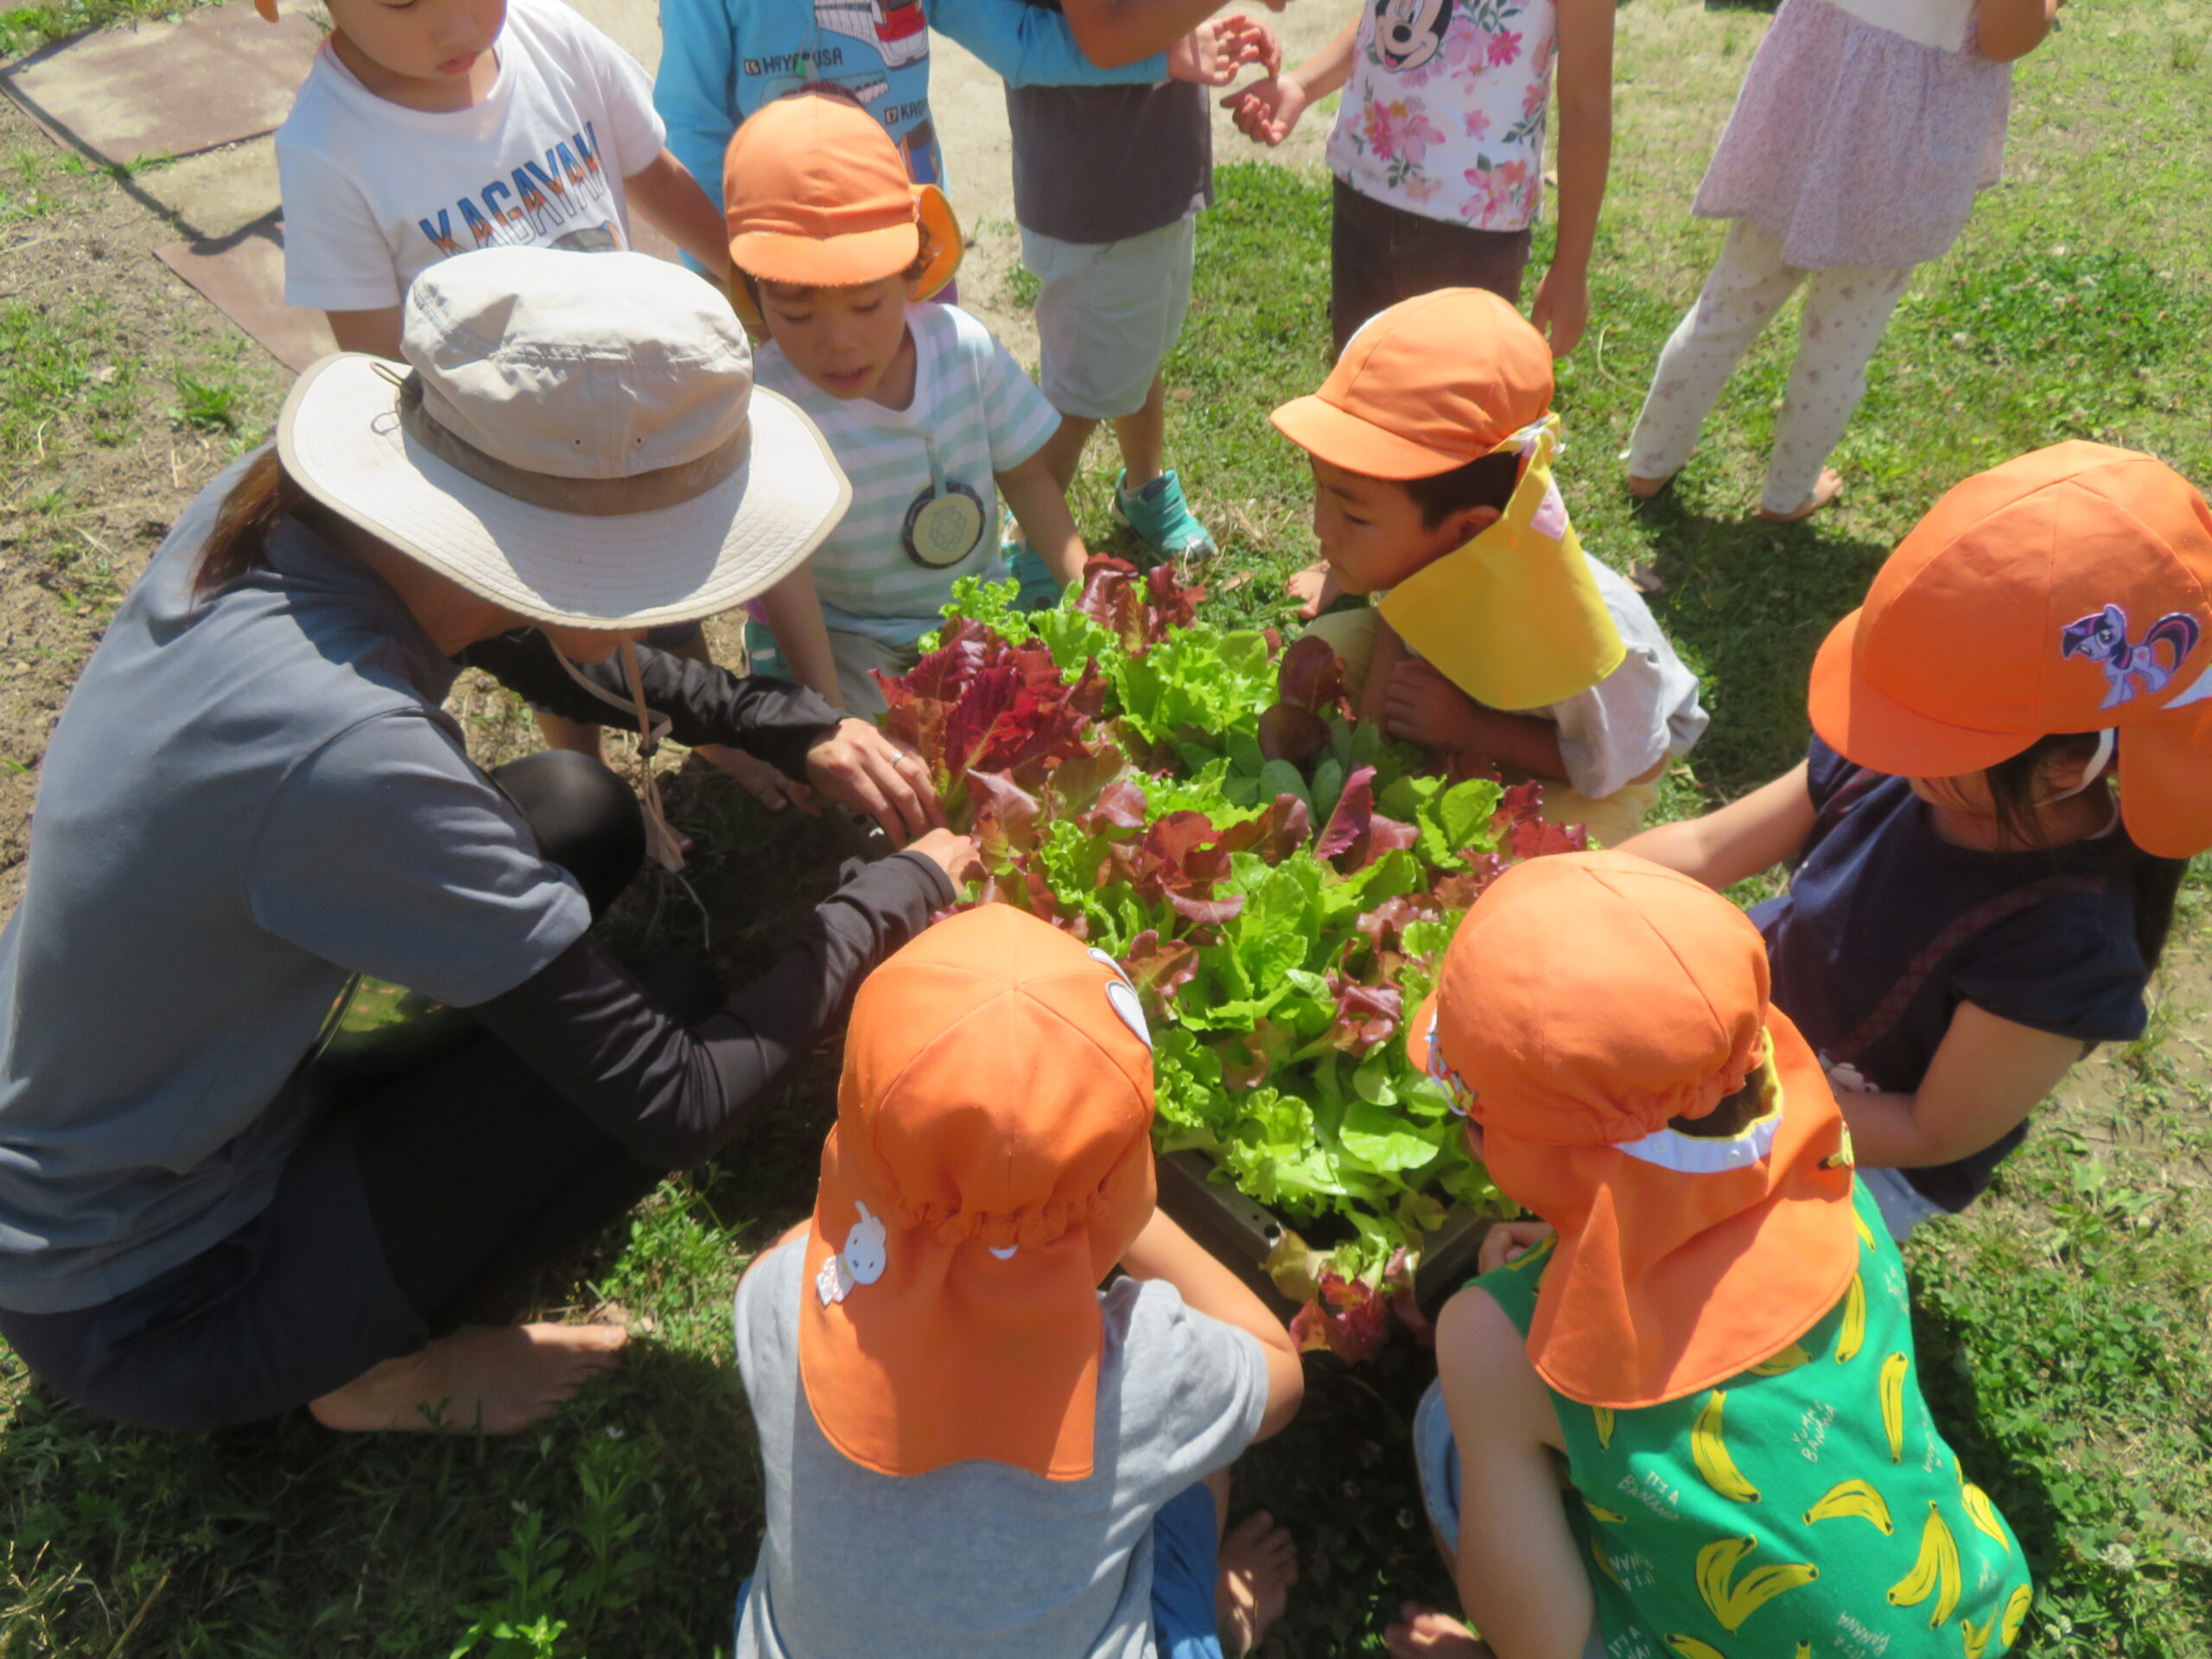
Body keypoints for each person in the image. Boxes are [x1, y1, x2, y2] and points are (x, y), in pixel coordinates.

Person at [0, 246, 982, 1437]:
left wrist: (789, 728)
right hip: (151, 1290)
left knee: (577, 810)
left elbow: (519, 639)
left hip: (173, 1091)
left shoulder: (287, 512)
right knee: (667, 1022)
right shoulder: (351, 763)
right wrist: (897, 893)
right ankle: (357, 1381)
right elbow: (670, 1103)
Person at [1387, 849, 2034, 1659]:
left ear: (1499, 1145)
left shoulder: (1492, 1339)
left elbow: (1542, 1642)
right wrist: (1573, 1247)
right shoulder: (1837, 1183)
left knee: (1447, 1429)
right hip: (1952, 1612)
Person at [1619, 442, 2207, 1241]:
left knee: (1671, 1253)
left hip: (1864, 1147)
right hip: (1751, 1029)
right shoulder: (1900, 749)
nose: (1888, 746)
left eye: (1929, 740)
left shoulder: (2066, 942)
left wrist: (1725, 1121)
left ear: (2067, 768)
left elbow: (1937, 1129)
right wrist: (1574, 894)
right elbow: (1708, 850)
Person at [730, 904, 1306, 1659]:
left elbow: (807, 1247)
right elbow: (1279, 1373)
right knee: (1195, 1479)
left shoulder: (778, 1294)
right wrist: (1116, 1215)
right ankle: (1220, 1623)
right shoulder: (1149, 1369)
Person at [269, 0, 753, 770]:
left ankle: (720, 740)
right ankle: (582, 767)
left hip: (628, 407)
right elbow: (374, 356)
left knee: (663, 590)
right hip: (505, 463)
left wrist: (746, 276)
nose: (456, 26)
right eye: (403, 1)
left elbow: (650, 173)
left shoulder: (552, 40)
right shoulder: (327, 146)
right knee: (553, 640)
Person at [1269, 288, 1706, 849]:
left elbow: (1633, 764)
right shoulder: (1431, 542)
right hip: (1474, 684)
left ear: (1471, 530)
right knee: (1333, 642)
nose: (1320, 529)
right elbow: (1403, 612)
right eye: (1320, 492)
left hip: (1605, 753)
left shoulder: (1581, 641)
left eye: (1352, 514)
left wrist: (1472, 730)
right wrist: (1375, 738)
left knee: (1541, 859)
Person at [721, 91, 1089, 730]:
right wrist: (831, 710)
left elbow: (1028, 478)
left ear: (914, 268)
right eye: (795, 312)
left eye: (867, 305)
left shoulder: (963, 349)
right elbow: (786, 572)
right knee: (883, 774)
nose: (837, 341)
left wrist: (1087, 592)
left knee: (1044, 728)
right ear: (753, 291)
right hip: (840, 637)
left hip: (967, 624)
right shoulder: (769, 402)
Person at [1621, 0, 2062, 522]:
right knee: (1838, 348)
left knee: (1727, 305)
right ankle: (1788, 494)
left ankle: (1651, 461)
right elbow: (2005, 38)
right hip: (1897, 149)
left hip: (1803, 111)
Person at [999, 0, 1286, 589]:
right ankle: (1028, 542)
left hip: (1149, 181)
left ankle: (1143, 486)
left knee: (1139, 348)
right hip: (1099, 199)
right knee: (1077, 396)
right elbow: (1105, 33)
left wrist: (1201, 32)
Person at [1223, 0, 1616, 359]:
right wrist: (1303, 84)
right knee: (1359, 391)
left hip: (1473, 230)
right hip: (1365, 196)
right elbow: (1389, 17)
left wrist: (1571, 265)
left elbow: (1587, 106)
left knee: (1447, 412)